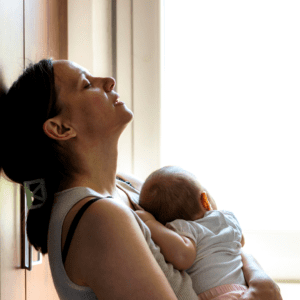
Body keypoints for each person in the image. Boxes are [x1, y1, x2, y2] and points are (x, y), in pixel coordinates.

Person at [0, 58, 283, 300]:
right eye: (87, 84)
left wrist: (261, 280)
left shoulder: (127, 185)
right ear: (61, 128)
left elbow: (216, 237)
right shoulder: (100, 217)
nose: (108, 81)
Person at [136, 165, 249, 299]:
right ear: (204, 200)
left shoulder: (183, 229)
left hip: (217, 296)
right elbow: (241, 241)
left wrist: (150, 223)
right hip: (243, 290)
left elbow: (183, 258)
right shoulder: (227, 218)